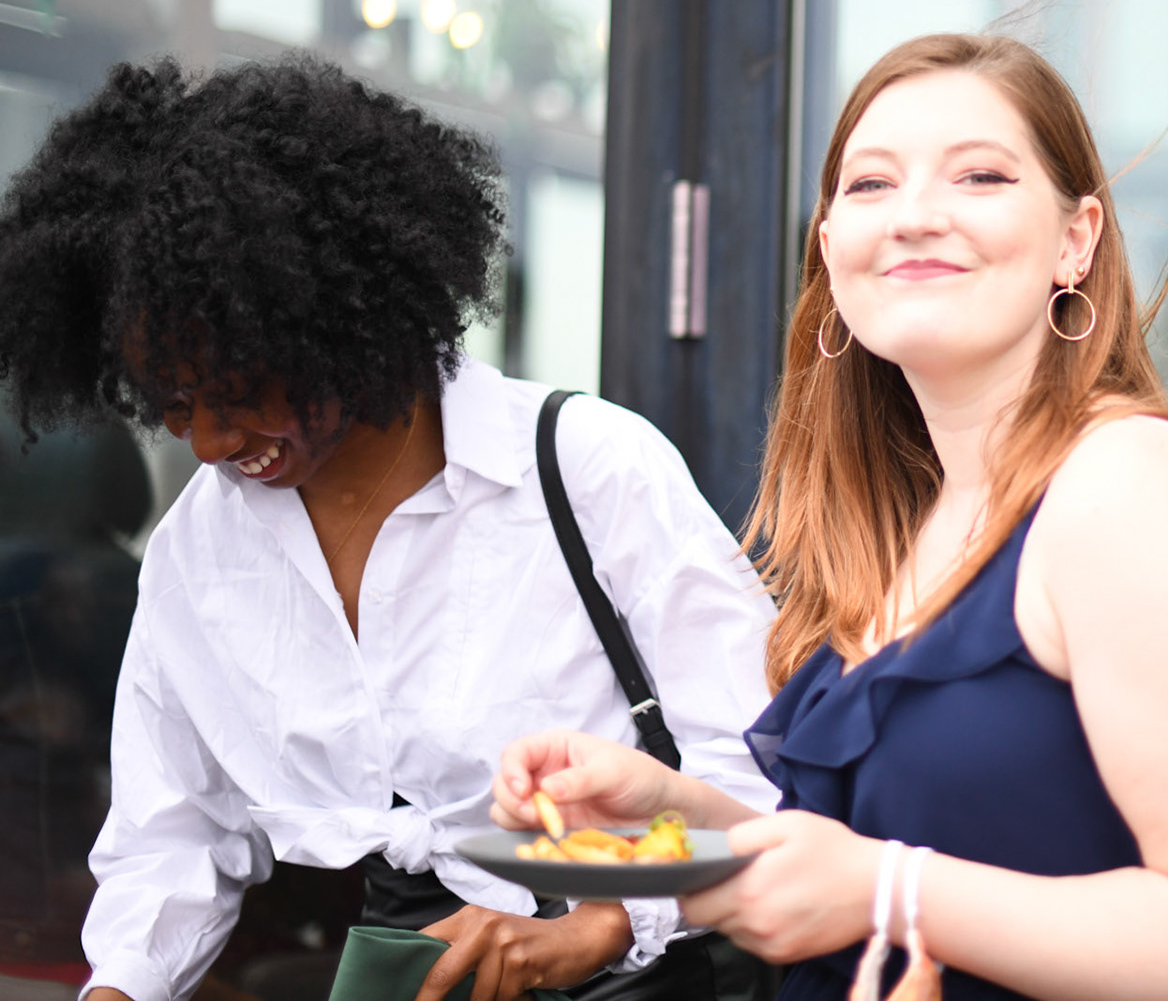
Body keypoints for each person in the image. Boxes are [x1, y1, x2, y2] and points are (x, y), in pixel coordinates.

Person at [492, 34, 1168, 1000]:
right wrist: (665, 818)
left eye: (980, 176)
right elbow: (860, 874)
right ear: (829, 248)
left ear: (1077, 239)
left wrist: (888, 891)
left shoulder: (1131, 486)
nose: (916, 216)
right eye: (872, 185)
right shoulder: (921, 519)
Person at [0, 56, 779, 1001]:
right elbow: (171, 836)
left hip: (645, 960)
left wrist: (600, 922)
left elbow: (757, 774)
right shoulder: (199, 551)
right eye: (172, 404)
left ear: (337, 323)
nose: (207, 441)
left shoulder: (588, 470)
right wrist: (118, 989)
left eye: (238, 392)